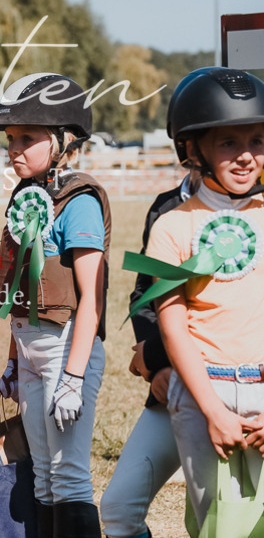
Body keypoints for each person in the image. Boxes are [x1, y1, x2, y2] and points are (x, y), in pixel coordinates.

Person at [135, 67, 264, 531]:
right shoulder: (172, 227)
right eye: (229, 142)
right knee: (217, 523)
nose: (247, 155)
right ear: (194, 149)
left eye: (256, 140)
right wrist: (214, 411)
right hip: (203, 394)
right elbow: (172, 326)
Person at [0, 72, 109, 538]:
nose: (14, 148)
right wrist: (16, 361)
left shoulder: (78, 200)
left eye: (27, 138)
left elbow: (90, 302)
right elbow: (24, 294)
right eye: (11, 138)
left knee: (70, 475)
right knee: (42, 474)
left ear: (62, 140)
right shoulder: (27, 195)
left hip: (65, 353)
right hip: (32, 355)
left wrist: (74, 377)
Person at [100, 69, 208, 538]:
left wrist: (152, 356)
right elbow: (146, 297)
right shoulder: (164, 208)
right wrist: (157, 367)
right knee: (119, 510)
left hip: (233, 389)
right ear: (187, 146)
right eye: (217, 140)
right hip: (171, 391)